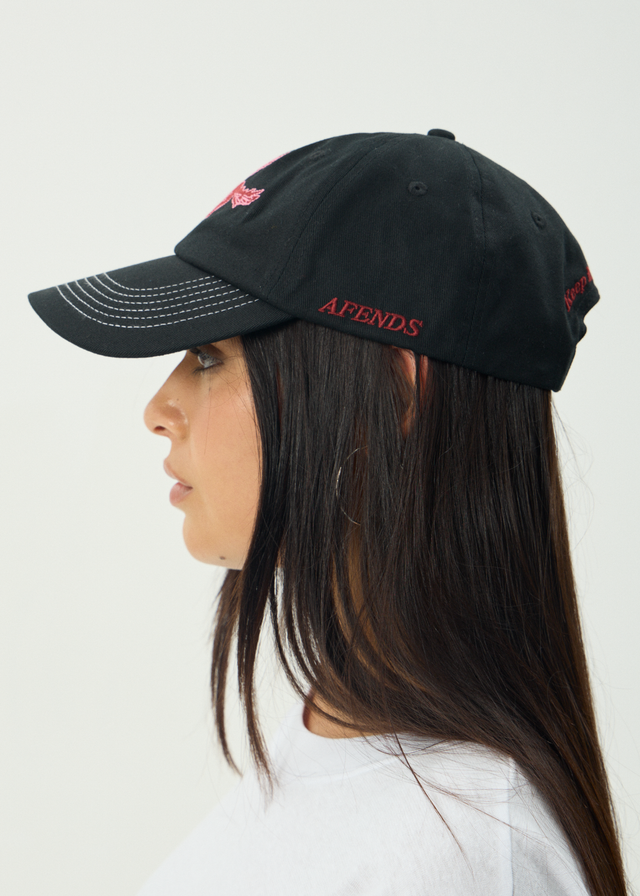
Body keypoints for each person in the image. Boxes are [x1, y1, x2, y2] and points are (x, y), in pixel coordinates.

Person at [28, 130, 630, 896]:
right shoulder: (343, 739)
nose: (158, 408)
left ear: (395, 395)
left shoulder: (462, 849)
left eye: (209, 356)